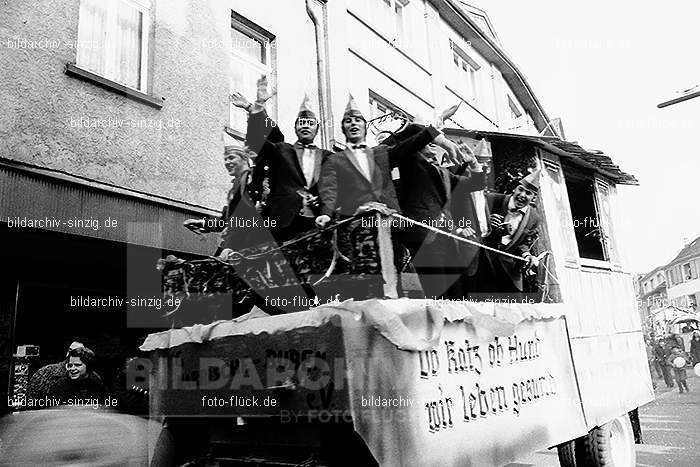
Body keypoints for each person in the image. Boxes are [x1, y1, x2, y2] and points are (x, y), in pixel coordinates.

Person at [316, 95, 462, 226]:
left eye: (358, 120)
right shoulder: (334, 159)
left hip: (389, 223)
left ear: (364, 127)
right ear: (343, 128)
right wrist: (325, 214)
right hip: (353, 223)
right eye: (348, 121)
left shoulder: (380, 153)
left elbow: (411, 141)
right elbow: (329, 190)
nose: (353, 124)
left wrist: (438, 132)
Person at [380, 121, 486, 299]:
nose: (434, 144)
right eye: (430, 142)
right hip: (424, 241)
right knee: (436, 296)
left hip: (448, 241)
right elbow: (399, 140)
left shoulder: (443, 173)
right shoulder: (408, 162)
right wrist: (437, 132)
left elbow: (477, 183)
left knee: (456, 296)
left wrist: (473, 163)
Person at [231, 78, 333, 242]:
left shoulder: (328, 157)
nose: (305, 126)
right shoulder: (282, 150)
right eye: (301, 123)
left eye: (310, 123)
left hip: (316, 223)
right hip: (282, 224)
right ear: (295, 128)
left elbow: (331, 189)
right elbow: (260, 139)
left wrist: (324, 208)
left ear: (317, 128)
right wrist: (254, 107)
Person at [183, 145, 264, 256]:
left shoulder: (251, 181)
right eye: (225, 159)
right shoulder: (236, 186)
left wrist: (234, 248)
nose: (226, 162)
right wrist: (202, 223)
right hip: (231, 245)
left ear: (244, 159)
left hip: (246, 247)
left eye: (231, 158)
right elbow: (225, 222)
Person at [478, 170, 541, 294]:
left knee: (513, 306)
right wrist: (487, 222)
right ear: (514, 189)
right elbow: (474, 222)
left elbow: (524, 244)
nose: (522, 195)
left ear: (533, 198)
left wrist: (527, 255)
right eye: (520, 189)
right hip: (483, 261)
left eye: (528, 193)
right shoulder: (492, 199)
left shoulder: (534, 218)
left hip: (508, 267)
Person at [28, 341, 103, 401]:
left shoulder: (96, 381)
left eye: (77, 365)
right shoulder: (52, 381)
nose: (72, 369)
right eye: (71, 365)